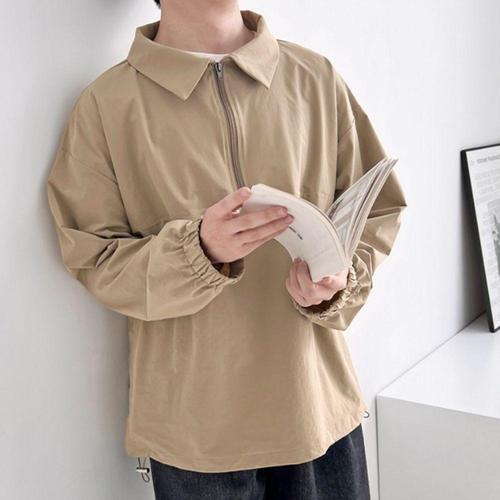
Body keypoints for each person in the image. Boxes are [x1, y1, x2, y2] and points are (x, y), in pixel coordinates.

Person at [46, 1, 407, 499]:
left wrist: (338, 279)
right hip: (195, 436)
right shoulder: (107, 105)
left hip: (316, 411)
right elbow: (94, 257)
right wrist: (197, 251)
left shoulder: (315, 78)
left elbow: (377, 207)